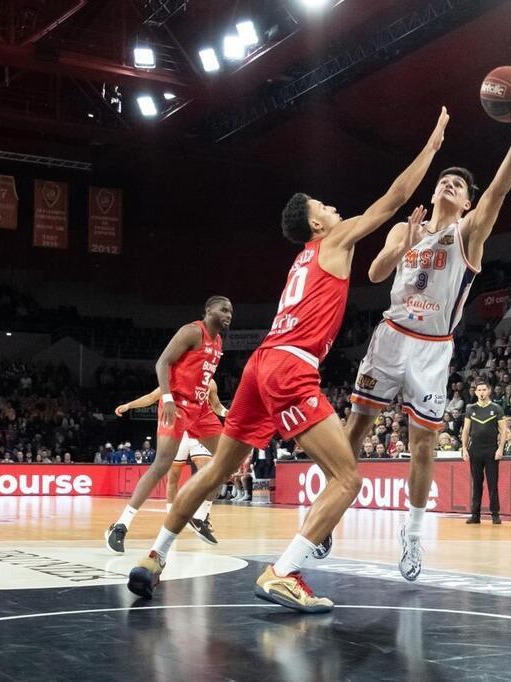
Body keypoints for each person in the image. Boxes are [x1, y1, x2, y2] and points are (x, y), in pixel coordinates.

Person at [127, 107, 451, 611]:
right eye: (324, 203)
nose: (333, 206)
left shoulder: (300, 260)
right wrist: (431, 147)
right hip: (290, 366)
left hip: (259, 364)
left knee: (214, 472)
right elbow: (393, 199)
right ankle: (284, 571)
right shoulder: (332, 240)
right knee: (348, 478)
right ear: (314, 221)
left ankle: (152, 557)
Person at [344, 97, 511, 581]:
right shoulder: (402, 229)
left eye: (459, 184)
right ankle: (329, 513)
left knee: (424, 446)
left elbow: (498, 191)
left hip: (433, 348)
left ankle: (411, 536)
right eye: (444, 180)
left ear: (466, 202)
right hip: (390, 337)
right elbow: (373, 272)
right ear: (435, 192)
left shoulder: (469, 233)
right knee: (355, 431)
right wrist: (404, 243)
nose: (450, 184)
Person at [104, 297, 232, 554]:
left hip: (201, 408)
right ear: (209, 310)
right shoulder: (192, 331)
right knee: (162, 464)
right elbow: (162, 362)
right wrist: (167, 398)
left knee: (227, 462)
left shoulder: (218, 342)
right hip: (177, 404)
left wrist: (228, 414)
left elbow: (213, 398)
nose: (229, 314)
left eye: (231, 311)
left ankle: (200, 517)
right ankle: (120, 526)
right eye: (224, 309)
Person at [113, 381, 229, 540]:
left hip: (201, 424)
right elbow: (152, 397)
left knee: (215, 468)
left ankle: (202, 517)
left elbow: (216, 406)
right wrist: (128, 406)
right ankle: (170, 515)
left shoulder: (211, 383)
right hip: (180, 428)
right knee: (172, 475)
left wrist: (226, 412)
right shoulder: (180, 376)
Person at [461, 381, 509, 525]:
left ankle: (495, 514)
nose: (481, 392)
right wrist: (464, 448)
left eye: (484, 389)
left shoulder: (497, 408)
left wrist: (500, 449)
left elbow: (503, 431)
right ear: (475, 392)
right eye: (479, 390)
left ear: (489, 391)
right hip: (475, 449)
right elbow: (466, 431)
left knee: (492, 483)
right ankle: (475, 515)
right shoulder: (470, 409)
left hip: (491, 449)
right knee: (476, 483)